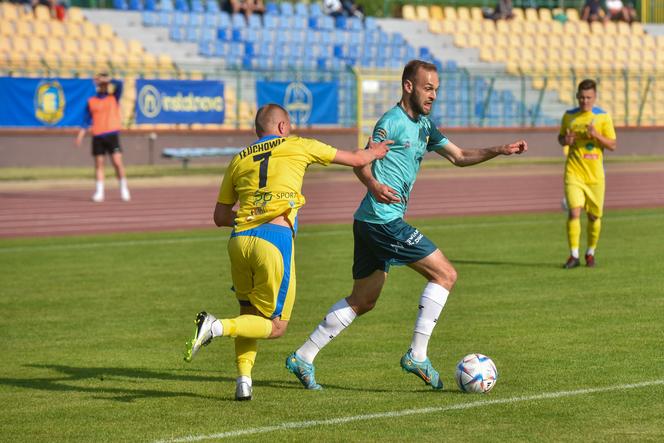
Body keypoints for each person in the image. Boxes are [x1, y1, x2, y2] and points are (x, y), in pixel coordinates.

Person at [285, 60, 528, 391]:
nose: (433, 96)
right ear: (408, 86)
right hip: (383, 221)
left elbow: (458, 156)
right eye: (428, 88)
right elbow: (362, 160)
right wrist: (372, 185)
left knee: (363, 300)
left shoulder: (425, 126)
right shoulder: (390, 122)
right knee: (445, 275)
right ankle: (417, 354)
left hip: (370, 222)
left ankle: (303, 356)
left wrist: (499, 150)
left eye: (437, 90)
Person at [182, 103, 391, 401]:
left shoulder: (239, 159)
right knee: (276, 326)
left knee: (249, 313)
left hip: (239, 241)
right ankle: (215, 326)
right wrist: (376, 151)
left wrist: (250, 216)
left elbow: (220, 216)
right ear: (282, 127)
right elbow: (356, 159)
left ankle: (244, 381)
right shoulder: (298, 145)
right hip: (274, 240)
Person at [558, 79, 616, 269]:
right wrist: (566, 139)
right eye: (581, 97)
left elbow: (612, 145)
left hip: (595, 176)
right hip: (574, 173)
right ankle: (573, 255)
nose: (585, 101)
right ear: (577, 96)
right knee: (574, 211)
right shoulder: (569, 116)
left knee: (593, 217)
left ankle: (590, 252)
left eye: (588, 97)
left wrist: (596, 135)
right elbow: (561, 139)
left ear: (595, 97)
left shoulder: (603, 117)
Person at [75, 73, 130, 203]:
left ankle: (124, 189)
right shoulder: (92, 101)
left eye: (105, 84)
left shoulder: (113, 98)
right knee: (99, 164)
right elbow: (86, 120)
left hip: (112, 136)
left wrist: (108, 79)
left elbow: (120, 84)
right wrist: (80, 135)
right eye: (101, 84)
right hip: (98, 137)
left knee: (117, 162)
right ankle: (99, 192)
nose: (103, 86)